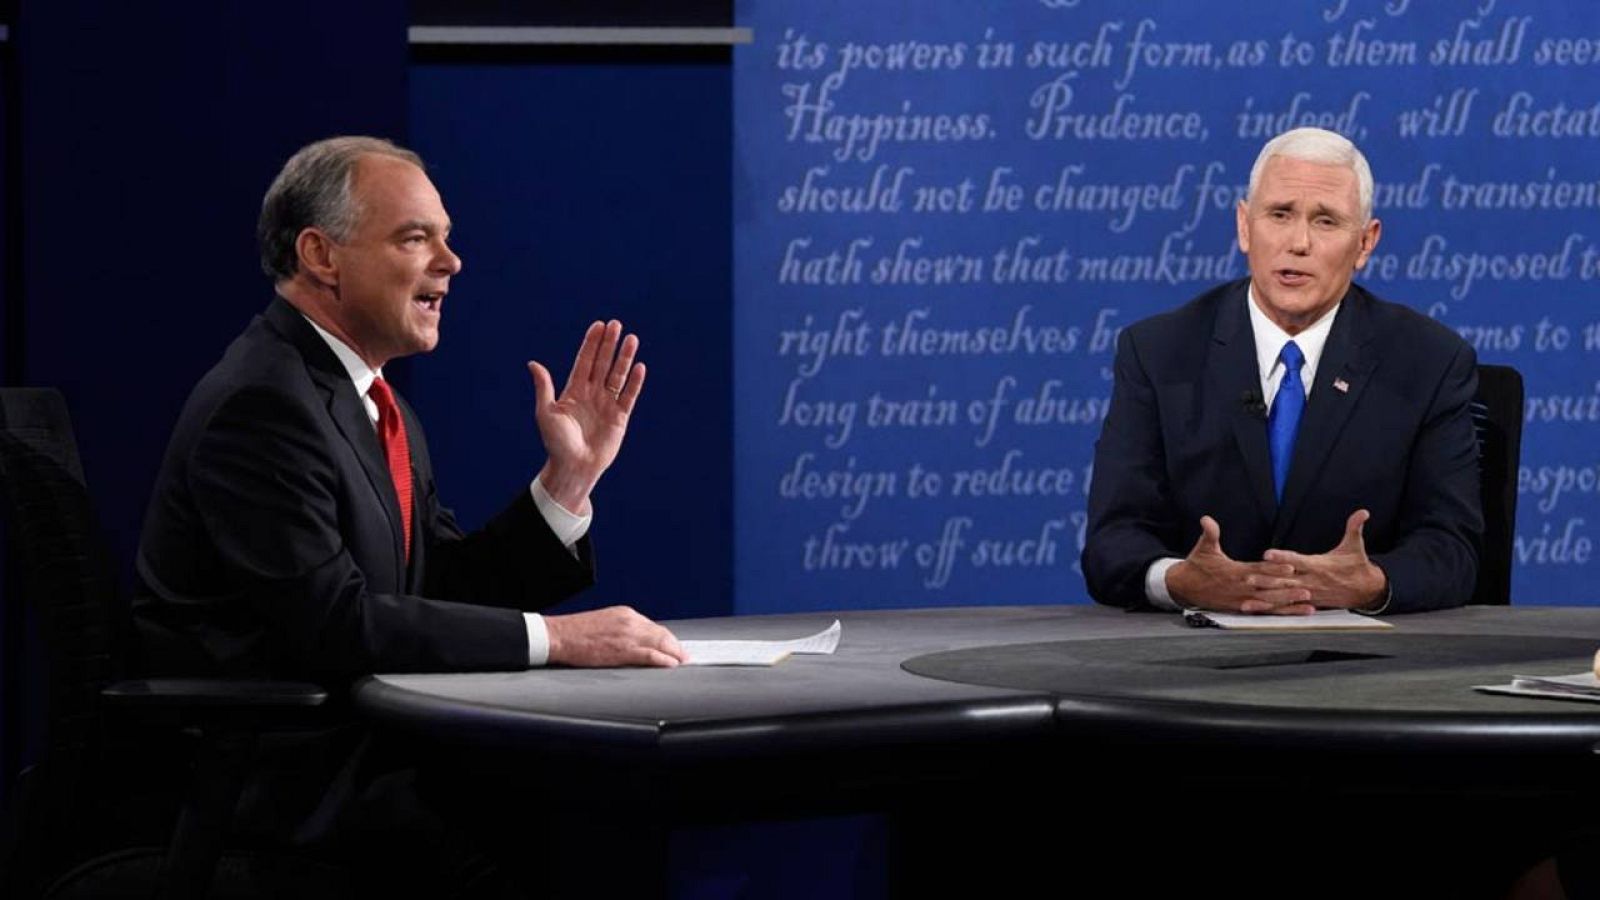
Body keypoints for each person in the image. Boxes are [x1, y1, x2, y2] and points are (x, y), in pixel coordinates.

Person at [132, 135, 686, 894]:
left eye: (447, 239)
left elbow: (438, 586)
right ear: (322, 255)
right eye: (415, 238)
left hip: (366, 754)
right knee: (565, 830)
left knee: (588, 809)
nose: (451, 264)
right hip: (284, 784)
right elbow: (334, 625)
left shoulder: (369, 401)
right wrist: (558, 640)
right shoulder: (261, 404)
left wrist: (566, 482)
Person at [1082, 127, 1483, 616]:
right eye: (1280, 214)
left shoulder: (1429, 362)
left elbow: (1453, 550)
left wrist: (1371, 583)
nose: (1299, 243)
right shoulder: (1159, 352)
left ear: (1365, 242)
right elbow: (1112, 543)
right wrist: (1182, 580)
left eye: (1326, 221)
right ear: (1245, 226)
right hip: (1191, 661)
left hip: (1362, 668)